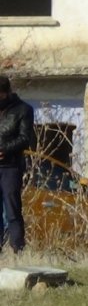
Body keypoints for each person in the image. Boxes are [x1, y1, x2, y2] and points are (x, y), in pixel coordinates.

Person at [0, 76, 35, 254]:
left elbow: (25, 138)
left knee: (12, 210)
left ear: (5, 93)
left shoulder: (23, 109)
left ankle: (17, 250)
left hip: (10, 166)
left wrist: (4, 149)